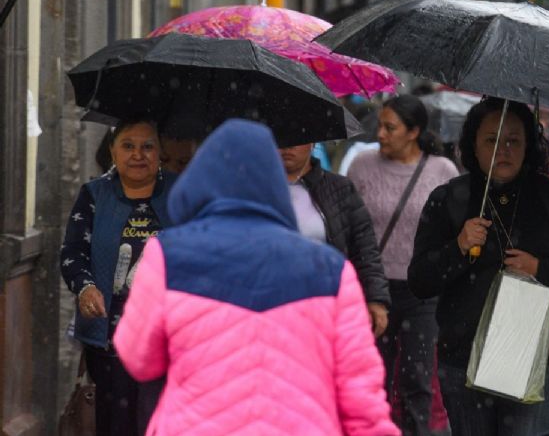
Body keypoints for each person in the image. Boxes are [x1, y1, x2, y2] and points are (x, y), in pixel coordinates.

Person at [113, 119, 398, 436]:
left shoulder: (167, 256)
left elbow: (139, 358)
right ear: (274, 185)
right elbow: (359, 390)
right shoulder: (330, 269)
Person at [408, 98, 549, 436]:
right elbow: (421, 279)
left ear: (529, 146)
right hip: (464, 355)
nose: (503, 150)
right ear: (473, 145)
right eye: (491, 140)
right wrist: (459, 248)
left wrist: (541, 268)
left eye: (513, 140)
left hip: (537, 355)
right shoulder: (449, 198)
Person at [347, 95, 459, 435]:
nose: (380, 133)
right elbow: (350, 227)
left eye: (390, 127)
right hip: (372, 289)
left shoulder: (442, 171)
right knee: (373, 379)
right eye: (380, 125)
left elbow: (453, 232)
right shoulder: (361, 166)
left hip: (421, 291)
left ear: (414, 132)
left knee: (417, 379)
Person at [60, 118, 176, 436]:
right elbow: (73, 253)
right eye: (128, 146)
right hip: (108, 339)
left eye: (147, 146)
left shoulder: (180, 196)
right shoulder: (94, 196)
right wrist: (85, 288)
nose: (138, 154)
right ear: (112, 151)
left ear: (160, 153)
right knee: (115, 424)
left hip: (165, 339)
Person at [278, 142, 391, 336]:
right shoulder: (255, 188)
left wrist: (375, 298)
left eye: (298, 139)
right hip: (272, 305)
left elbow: (364, 248)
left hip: (327, 306)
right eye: (281, 138)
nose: (288, 146)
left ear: (313, 144)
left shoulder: (339, 189)